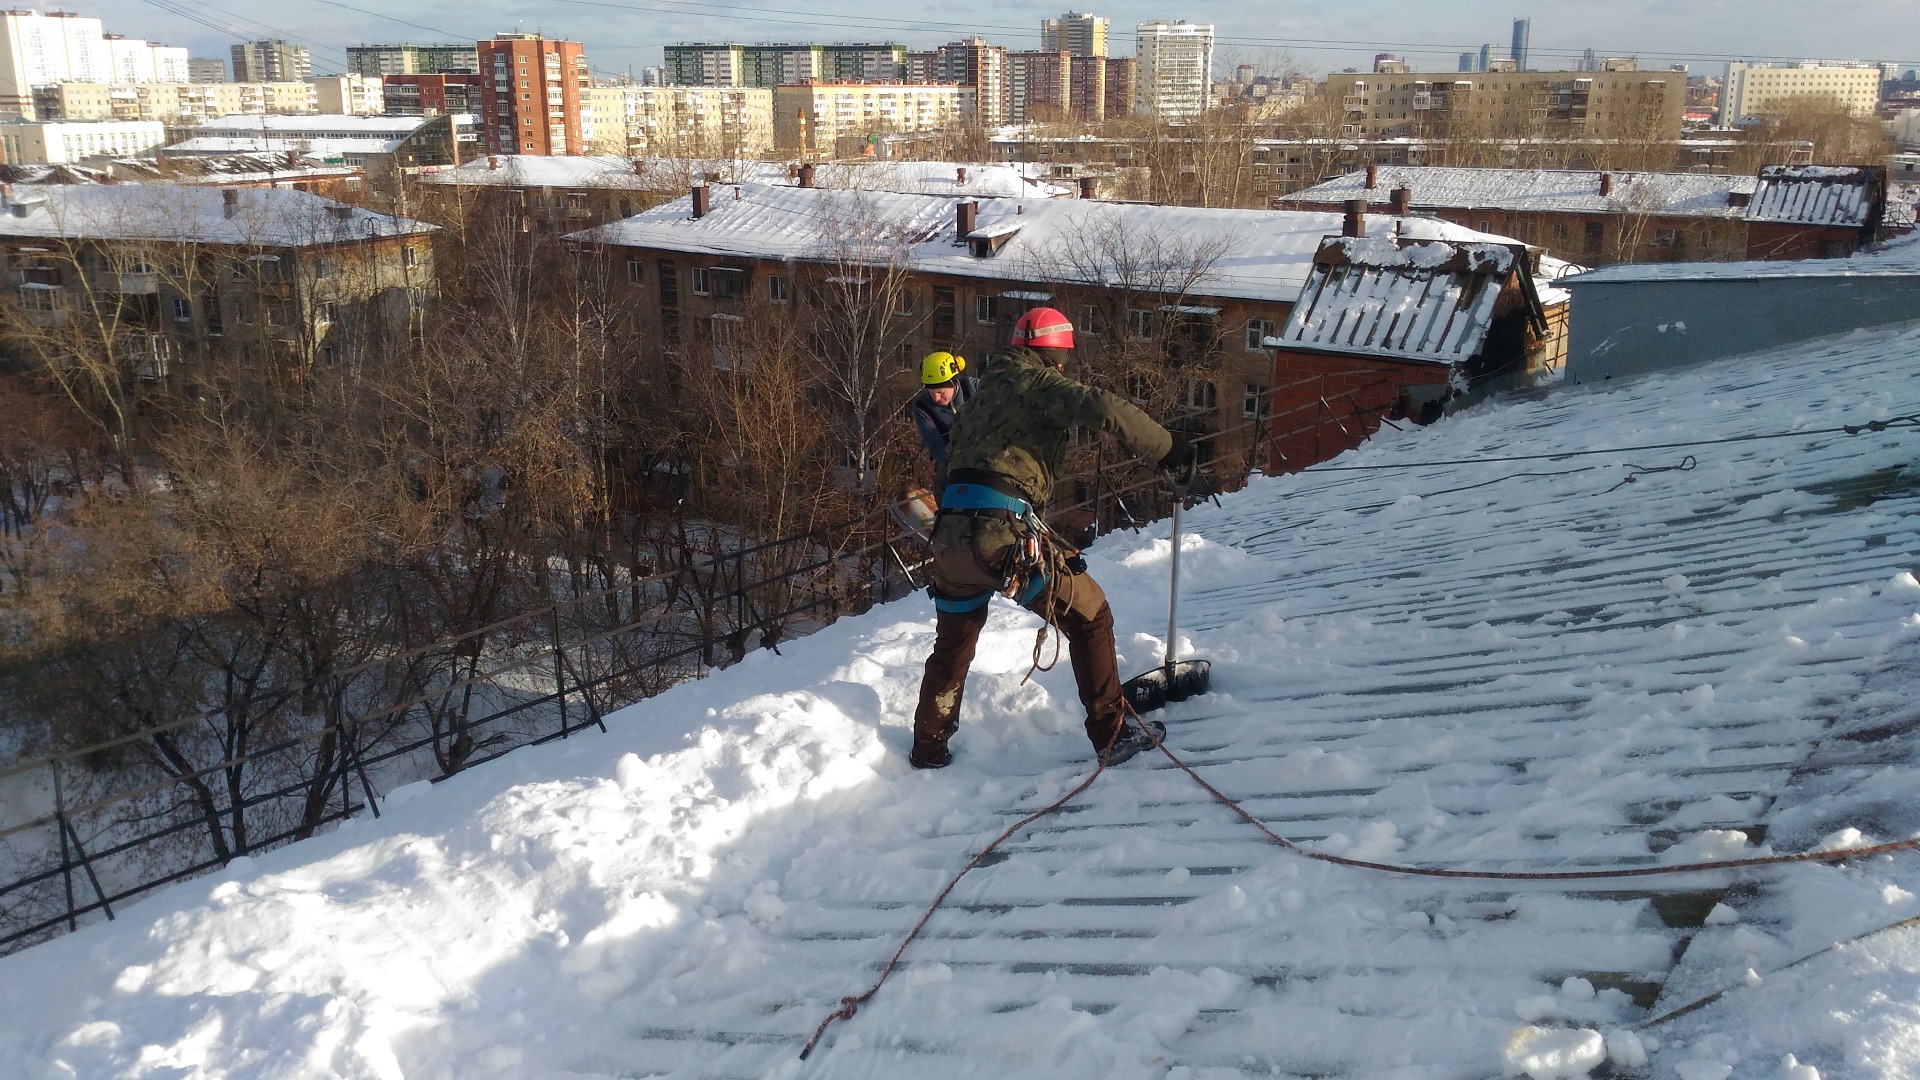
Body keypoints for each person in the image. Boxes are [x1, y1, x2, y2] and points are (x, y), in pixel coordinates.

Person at [910, 307, 1197, 770]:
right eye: (1062, 358)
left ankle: (928, 746)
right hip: (999, 534)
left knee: (952, 646)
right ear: (1053, 353)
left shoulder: (975, 402)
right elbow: (1104, 408)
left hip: (949, 539)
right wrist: (1170, 450)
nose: (1063, 366)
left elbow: (950, 474)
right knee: (1089, 616)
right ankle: (1111, 733)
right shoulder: (1038, 384)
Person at [910, 351, 980, 470]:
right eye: (931, 393)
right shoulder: (923, 407)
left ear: (953, 383)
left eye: (940, 392)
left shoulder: (972, 388)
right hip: (955, 468)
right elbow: (936, 446)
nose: (936, 398)